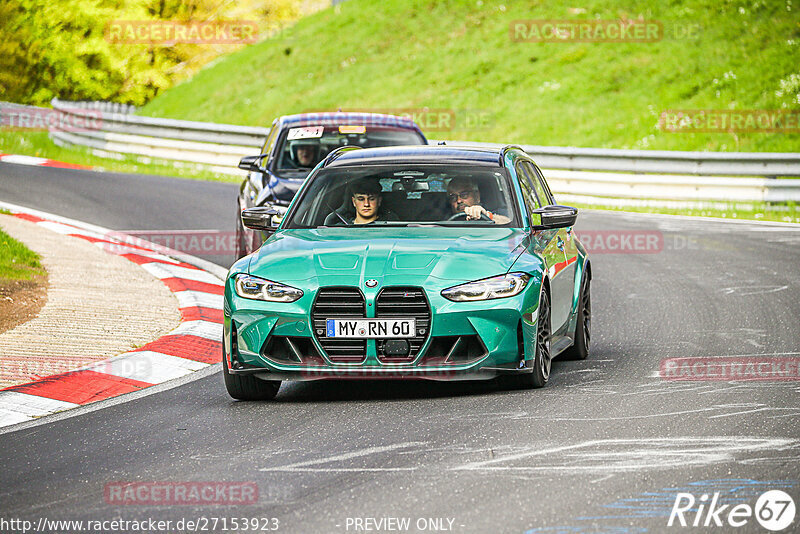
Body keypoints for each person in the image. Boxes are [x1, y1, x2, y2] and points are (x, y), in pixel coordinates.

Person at [446, 176, 510, 224]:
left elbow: (510, 224)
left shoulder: (501, 212)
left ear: (477, 196)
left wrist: (487, 215)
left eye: (464, 195)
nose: (459, 200)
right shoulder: (445, 217)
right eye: (453, 197)